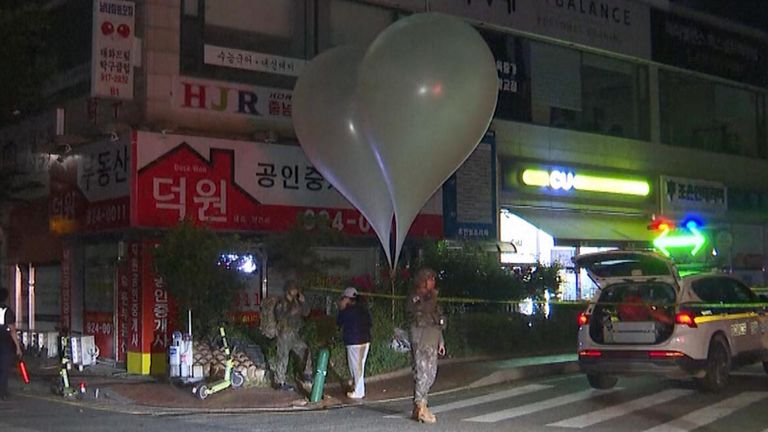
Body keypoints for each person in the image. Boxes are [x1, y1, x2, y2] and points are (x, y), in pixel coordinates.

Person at [406, 268, 446, 424]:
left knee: (431, 374)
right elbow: (421, 313)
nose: (432, 282)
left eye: (433, 279)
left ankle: (420, 405)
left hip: (432, 338)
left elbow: (438, 320)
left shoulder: (432, 299)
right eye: (430, 279)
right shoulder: (416, 298)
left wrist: (440, 342)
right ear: (422, 280)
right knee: (422, 373)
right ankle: (420, 407)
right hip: (421, 339)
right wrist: (433, 299)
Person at [272, 280, 313, 391]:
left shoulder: (297, 301)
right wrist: (291, 312)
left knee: (305, 350)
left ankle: (307, 374)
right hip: (284, 333)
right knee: (283, 357)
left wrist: (303, 302)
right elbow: (279, 317)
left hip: (294, 334)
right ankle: (279, 382)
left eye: (296, 289)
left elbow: (306, 313)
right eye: (293, 289)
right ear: (288, 290)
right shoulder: (281, 302)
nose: (295, 291)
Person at [336, 287, 372, 399]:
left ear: (347, 298)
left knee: (356, 367)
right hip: (365, 340)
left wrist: (341, 309)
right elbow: (370, 323)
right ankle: (356, 386)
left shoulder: (348, 311)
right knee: (358, 366)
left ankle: (359, 391)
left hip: (354, 341)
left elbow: (339, 322)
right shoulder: (363, 309)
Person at [0, 287, 23, 401]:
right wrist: (18, 347)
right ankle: (2, 392)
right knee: (3, 367)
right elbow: (12, 330)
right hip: (4, 341)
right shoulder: (7, 311)